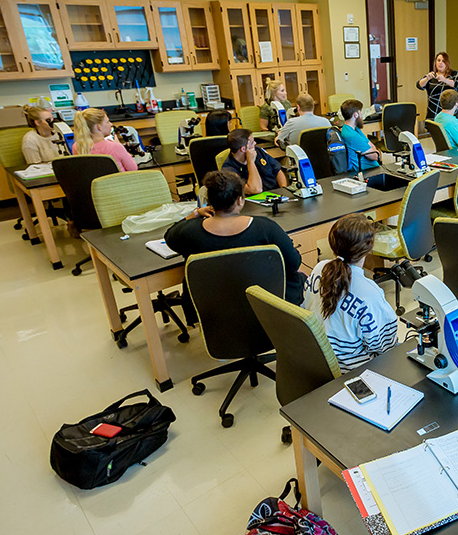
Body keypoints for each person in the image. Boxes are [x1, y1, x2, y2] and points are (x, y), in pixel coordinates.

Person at [164, 170, 304, 304]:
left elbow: (169, 236)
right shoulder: (266, 228)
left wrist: (195, 214)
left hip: (213, 312)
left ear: (210, 201)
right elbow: (294, 263)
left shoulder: (190, 231)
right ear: (239, 201)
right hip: (265, 309)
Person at [302, 214, 398, 371]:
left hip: (319, 361)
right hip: (352, 371)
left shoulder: (319, 268)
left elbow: (306, 303)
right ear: (368, 249)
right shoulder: (369, 293)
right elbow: (385, 347)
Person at [221, 128, 288, 195]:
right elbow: (256, 189)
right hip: (256, 199)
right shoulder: (229, 171)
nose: (255, 143)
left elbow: (277, 171)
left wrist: (283, 190)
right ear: (243, 149)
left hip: (277, 194)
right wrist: (250, 162)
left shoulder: (257, 151)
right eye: (252, 142)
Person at [72, 107, 138, 171]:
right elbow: (133, 169)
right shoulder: (115, 147)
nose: (111, 124)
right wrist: (120, 146)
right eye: (107, 122)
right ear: (99, 127)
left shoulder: (77, 147)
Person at [417, 51, 458, 124]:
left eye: (443, 61)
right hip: (433, 113)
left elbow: (457, 84)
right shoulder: (432, 75)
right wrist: (427, 79)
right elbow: (419, 85)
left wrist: (444, 80)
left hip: (451, 114)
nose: (440, 63)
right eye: (438, 60)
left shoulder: (454, 74)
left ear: (447, 63)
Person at [338, 98, 381, 173]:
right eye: (360, 112)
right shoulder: (351, 135)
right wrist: (373, 149)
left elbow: (372, 146)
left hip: (372, 169)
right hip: (368, 172)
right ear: (356, 114)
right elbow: (375, 156)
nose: (361, 115)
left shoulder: (353, 129)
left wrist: (372, 148)